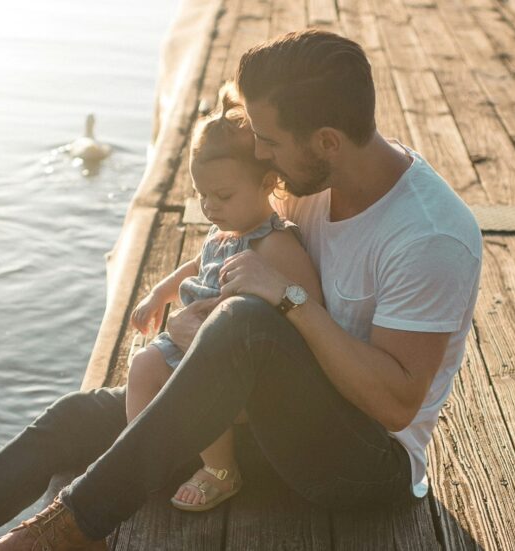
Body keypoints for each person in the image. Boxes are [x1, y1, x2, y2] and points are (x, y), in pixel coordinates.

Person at [0, 29, 482, 551]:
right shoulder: (311, 186)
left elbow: (395, 401)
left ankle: (62, 533)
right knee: (75, 417)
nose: (260, 154)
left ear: (326, 140)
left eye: (270, 140)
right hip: (270, 419)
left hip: (363, 462)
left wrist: (287, 302)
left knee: (245, 324)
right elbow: (244, 247)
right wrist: (179, 284)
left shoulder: (429, 235)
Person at [125, 83, 323, 512]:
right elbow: (196, 266)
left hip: (234, 361)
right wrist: (160, 293)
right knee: (142, 366)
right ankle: (144, 456)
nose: (210, 207)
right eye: (202, 196)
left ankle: (221, 469)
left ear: (268, 181)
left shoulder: (275, 244)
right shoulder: (224, 231)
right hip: (190, 337)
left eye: (223, 196)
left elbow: (309, 306)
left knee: (199, 388)